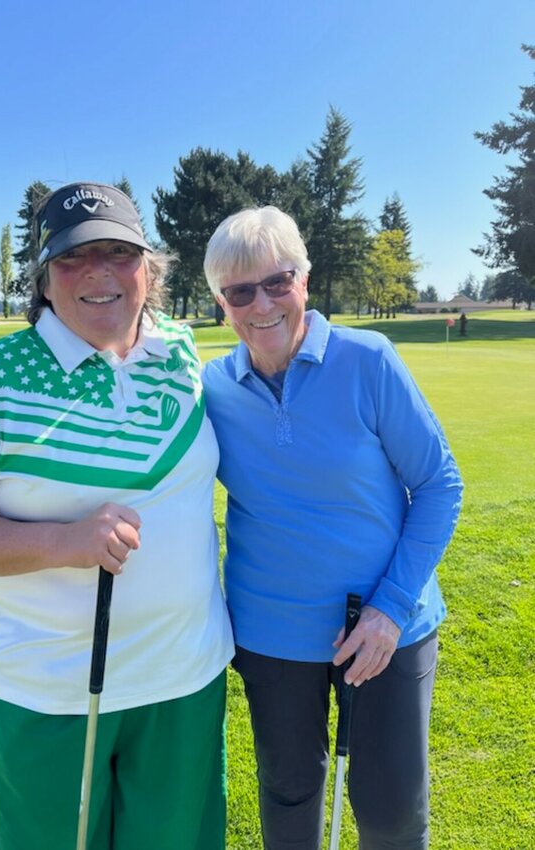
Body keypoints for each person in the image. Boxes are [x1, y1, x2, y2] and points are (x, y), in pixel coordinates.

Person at [0, 182, 233, 850]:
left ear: (148, 269)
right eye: (73, 258)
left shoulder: (181, 351)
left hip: (183, 679)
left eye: (120, 253)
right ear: (43, 277)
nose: (99, 273)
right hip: (47, 692)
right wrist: (67, 541)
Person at [201, 206, 463, 850]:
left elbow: (438, 485)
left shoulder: (367, 360)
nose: (261, 304)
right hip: (270, 633)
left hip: (384, 627)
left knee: (391, 813)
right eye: (240, 291)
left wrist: (391, 610)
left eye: (277, 282)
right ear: (220, 303)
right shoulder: (211, 387)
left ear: (305, 281)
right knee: (289, 795)